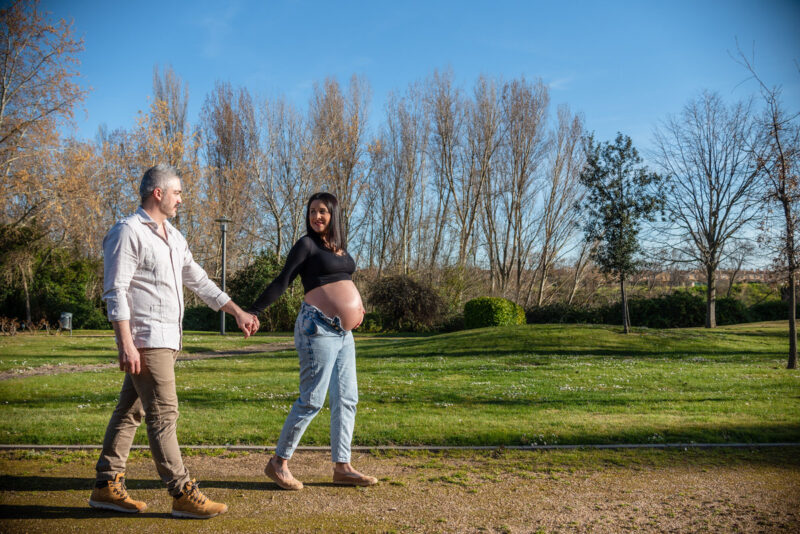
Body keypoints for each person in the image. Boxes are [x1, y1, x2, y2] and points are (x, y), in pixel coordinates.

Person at [90, 164, 259, 519]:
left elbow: (198, 280)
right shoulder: (128, 231)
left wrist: (236, 311)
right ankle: (181, 491)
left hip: (166, 339)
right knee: (164, 413)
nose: (181, 198)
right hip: (146, 339)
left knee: (130, 411)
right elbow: (116, 290)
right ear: (158, 193)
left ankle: (106, 485)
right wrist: (125, 342)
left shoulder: (174, 237)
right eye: (177, 192)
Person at [249, 191, 377, 489]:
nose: (316, 216)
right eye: (312, 212)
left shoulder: (339, 249)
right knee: (312, 400)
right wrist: (254, 311)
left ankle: (342, 466)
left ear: (334, 215)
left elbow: (341, 282)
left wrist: (355, 306)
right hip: (317, 328)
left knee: (347, 399)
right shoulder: (306, 245)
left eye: (322, 211)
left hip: (343, 334)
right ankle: (278, 463)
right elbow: (283, 281)